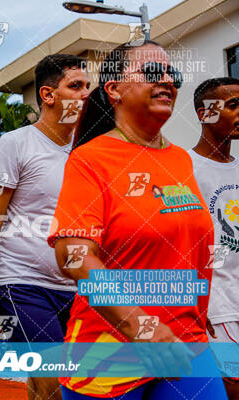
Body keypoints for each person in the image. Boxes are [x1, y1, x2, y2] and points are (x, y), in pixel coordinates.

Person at [48, 40, 227, 399]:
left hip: (185, 342)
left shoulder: (180, 160)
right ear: (113, 89)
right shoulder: (89, 160)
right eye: (151, 72)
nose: (167, 81)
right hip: (108, 353)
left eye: (172, 74)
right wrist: (141, 326)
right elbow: (73, 255)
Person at [0, 53, 89, 400]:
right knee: (55, 380)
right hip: (22, 283)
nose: (85, 95)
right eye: (75, 86)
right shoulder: (14, 145)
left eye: (87, 87)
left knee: (51, 386)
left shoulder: (88, 151)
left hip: (76, 287)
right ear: (49, 95)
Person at [189, 77, 239, 399]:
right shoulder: (185, 167)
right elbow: (184, 239)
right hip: (217, 306)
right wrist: (198, 301)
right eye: (233, 105)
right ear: (205, 113)